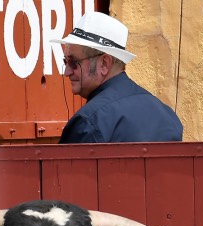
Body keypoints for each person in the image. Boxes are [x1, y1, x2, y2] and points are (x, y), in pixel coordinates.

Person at [52, 12, 183, 144]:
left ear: (104, 63)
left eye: (73, 62)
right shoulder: (168, 116)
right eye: (65, 61)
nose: (67, 72)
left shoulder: (89, 122)